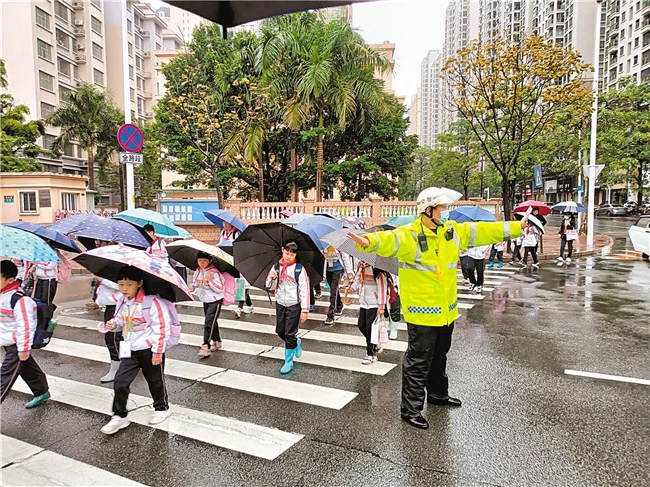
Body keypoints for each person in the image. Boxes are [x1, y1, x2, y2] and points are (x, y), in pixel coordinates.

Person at [348, 187, 531, 430]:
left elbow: (484, 231)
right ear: (428, 210)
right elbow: (387, 241)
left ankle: (437, 395)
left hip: (446, 311)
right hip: (422, 312)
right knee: (418, 360)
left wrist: (517, 226)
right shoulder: (409, 235)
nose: (446, 212)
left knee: (440, 356)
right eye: (442, 208)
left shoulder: (451, 232)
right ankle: (410, 409)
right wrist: (367, 241)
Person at [100, 266, 172, 435]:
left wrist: (157, 352)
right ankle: (120, 415)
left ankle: (162, 408)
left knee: (155, 382)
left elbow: (161, 328)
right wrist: (114, 325)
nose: (124, 289)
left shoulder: (152, 302)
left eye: (129, 284)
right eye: (121, 284)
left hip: (149, 350)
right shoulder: (122, 301)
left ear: (139, 283)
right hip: (130, 350)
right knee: (120, 381)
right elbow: (120, 321)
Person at [0, 260, 50, 408]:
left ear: (10, 280)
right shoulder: (2, 295)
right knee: (27, 368)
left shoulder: (19, 300)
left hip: (17, 343)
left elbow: (26, 326)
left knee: (4, 377)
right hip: (7, 341)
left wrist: (23, 349)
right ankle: (41, 391)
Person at [265, 241, 309, 375]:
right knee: (280, 331)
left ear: (295, 255)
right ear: (282, 250)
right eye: (286, 253)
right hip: (280, 303)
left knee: (289, 333)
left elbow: (304, 289)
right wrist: (272, 279)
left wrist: (305, 310)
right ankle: (296, 342)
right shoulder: (276, 267)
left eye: (292, 254)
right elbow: (269, 286)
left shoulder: (299, 269)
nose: (288, 256)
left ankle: (288, 361)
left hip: (294, 304)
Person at [348, 261, 387, 364]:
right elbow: (358, 281)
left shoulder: (378, 269)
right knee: (361, 325)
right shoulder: (361, 267)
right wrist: (351, 289)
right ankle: (375, 343)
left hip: (374, 303)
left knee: (370, 328)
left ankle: (371, 353)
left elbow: (382, 288)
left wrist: (381, 306)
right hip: (364, 302)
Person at [189, 252, 225, 358]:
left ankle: (206, 345)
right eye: (200, 260)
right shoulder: (198, 271)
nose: (202, 263)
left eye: (204, 260)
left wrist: (210, 280)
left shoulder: (215, 273)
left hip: (216, 300)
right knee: (212, 321)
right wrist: (192, 287)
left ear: (210, 261)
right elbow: (196, 283)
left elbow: (220, 289)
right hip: (205, 299)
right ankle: (217, 341)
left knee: (209, 322)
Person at [218, 223, 253, 318]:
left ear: (231, 224)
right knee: (240, 285)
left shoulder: (237, 234)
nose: (224, 225)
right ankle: (250, 305)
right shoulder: (223, 233)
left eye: (226, 223)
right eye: (223, 223)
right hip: (229, 260)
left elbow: (241, 247)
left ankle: (239, 309)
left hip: (240, 260)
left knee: (242, 285)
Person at [95, 276, 122, 382]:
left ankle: (118, 368)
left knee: (113, 339)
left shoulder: (120, 265)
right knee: (119, 339)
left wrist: (102, 279)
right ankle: (125, 365)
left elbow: (121, 285)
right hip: (111, 305)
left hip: (117, 305)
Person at [323, 245, 353, 326]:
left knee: (333, 291)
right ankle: (339, 305)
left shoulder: (339, 244)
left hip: (338, 270)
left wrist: (349, 272)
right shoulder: (323, 245)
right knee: (334, 290)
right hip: (328, 270)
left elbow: (345, 258)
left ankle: (330, 315)